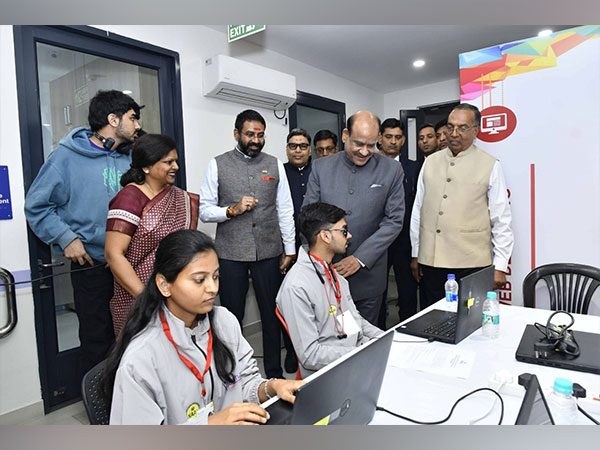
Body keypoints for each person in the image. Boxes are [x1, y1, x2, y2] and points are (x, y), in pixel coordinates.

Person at [103, 229, 303, 424]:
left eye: (215, 276)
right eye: (200, 280)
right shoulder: (142, 358)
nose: (213, 288)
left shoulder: (224, 321)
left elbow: (244, 383)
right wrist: (212, 425)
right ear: (164, 285)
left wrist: (272, 387)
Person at [25, 89, 141, 376]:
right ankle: (101, 406)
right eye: (132, 118)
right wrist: (67, 238)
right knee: (96, 338)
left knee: (134, 332)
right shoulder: (65, 157)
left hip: (130, 263)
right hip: (92, 265)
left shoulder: (129, 158)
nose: (138, 125)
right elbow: (36, 205)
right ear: (113, 119)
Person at [199, 109, 296, 378]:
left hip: (268, 251)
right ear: (236, 134)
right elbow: (204, 210)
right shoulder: (217, 164)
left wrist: (289, 249)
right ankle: (233, 371)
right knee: (231, 317)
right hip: (230, 254)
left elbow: (284, 209)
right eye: (250, 134)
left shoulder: (275, 164)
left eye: (260, 135)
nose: (255, 139)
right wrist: (231, 210)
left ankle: (274, 371)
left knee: (271, 314)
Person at [304, 111, 405, 326]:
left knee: (364, 339)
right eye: (358, 143)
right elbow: (309, 217)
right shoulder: (321, 167)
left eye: (371, 145)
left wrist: (360, 258)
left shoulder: (392, 169)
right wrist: (317, 261)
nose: (364, 151)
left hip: (368, 276)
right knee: (334, 339)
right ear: (345, 135)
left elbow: (394, 220)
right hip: (326, 274)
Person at [410, 104, 514, 308]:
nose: (454, 134)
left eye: (462, 128)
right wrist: (416, 252)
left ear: (476, 131)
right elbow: (418, 210)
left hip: (472, 263)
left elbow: (501, 218)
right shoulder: (430, 162)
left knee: (471, 325)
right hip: (432, 262)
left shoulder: (490, 165)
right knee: (433, 319)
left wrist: (500, 265)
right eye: (450, 127)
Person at [105, 133, 199, 337]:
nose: (176, 167)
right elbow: (114, 255)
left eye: (176, 161)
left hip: (175, 294)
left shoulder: (178, 198)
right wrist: (147, 300)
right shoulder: (129, 198)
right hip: (136, 298)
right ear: (147, 166)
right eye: (168, 162)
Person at [276, 203, 382, 378]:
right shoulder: (296, 287)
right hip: (328, 373)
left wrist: (385, 339)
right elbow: (310, 355)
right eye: (343, 231)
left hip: (353, 358)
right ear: (325, 236)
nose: (349, 235)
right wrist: (360, 351)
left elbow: (352, 321)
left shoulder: (334, 275)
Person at [377, 118, 421, 325]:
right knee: (376, 291)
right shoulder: (369, 165)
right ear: (379, 138)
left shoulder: (414, 168)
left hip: (405, 240)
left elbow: (419, 205)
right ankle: (376, 332)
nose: (393, 142)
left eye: (397, 137)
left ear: (403, 140)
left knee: (407, 290)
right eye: (388, 137)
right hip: (377, 239)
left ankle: (409, 327)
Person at [283, 128, 312, 253]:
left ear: (310, 150)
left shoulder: (319, 171)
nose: (298, 150)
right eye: (293, 146)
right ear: (287, 149)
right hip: (285, 239)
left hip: (314, 239)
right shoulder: (279, 172)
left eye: (303, 146)